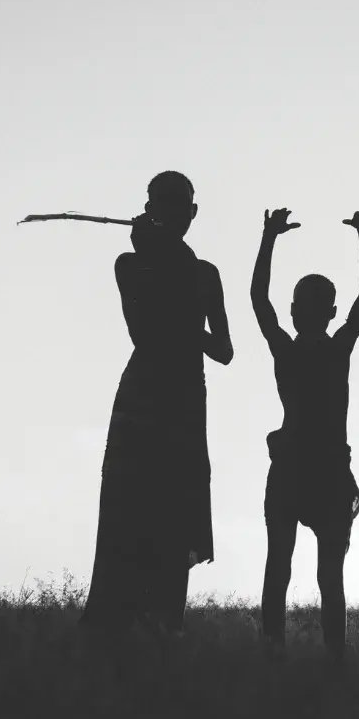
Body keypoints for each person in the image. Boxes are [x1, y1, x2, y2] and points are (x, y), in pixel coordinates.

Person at [81, 171, 233, 634]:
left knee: (174, 513)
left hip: (184, 401)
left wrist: (178, 299)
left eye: (178, 205)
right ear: (152, 211)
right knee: (129, 509)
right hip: (148, 395)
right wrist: (164, 269)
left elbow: (225, 351)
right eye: (163, 205)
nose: (172, 214)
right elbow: (141, 331)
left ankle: (165, 626)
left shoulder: (202, 273)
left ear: (192, 213)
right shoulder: (131, 265)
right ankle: (119, 626)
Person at [252, 207, 359, 661]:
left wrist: (269, 238)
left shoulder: (290, 349)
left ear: (298, 311)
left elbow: (259, 301)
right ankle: (331, 658)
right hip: (317, 469)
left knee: (282, 568)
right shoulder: (335, 348)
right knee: (324, 576)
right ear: (331, 312)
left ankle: (284, 651)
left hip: (304, 469)